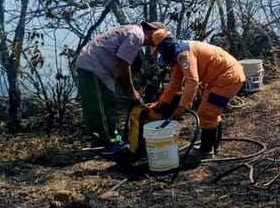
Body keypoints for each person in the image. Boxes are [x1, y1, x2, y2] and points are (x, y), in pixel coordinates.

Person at [74, 21, 168, 152]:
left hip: (89, 64)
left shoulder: (132, 32)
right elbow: (123, 64)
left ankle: (100, 139)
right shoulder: (136, 35)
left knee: (95, 106)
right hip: (95, 67)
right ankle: (111, 141)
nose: (152, 45)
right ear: (153, 32)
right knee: (105, 105)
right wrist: (131, 91)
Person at [149, 35, 245, 162]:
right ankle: (213, 146)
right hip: (222, 79)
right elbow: (174, 83)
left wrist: (183, 106)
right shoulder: (178, 55)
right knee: (211, 112)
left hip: (228, 78)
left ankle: (206, 150)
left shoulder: (184, 54)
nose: (159, 53)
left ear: (164, 47)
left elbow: (192, 80)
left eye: (159, 50)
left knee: (206, 113)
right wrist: (161, 102)